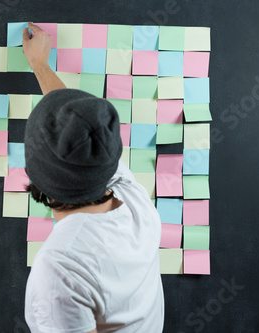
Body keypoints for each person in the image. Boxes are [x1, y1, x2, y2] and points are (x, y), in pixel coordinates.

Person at [21, 22, 164, 332]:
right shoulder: (132, 197)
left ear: (37, 178)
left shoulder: (60, 271)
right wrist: (40, 65)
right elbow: (84, 132)